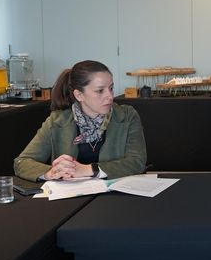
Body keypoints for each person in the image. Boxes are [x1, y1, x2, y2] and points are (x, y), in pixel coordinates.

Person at [14, 60, 147, 181]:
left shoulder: (127, 115)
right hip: (71, 199)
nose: (110, 96)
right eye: (100, 91)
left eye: (111, 88)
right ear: (79, 95)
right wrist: (51, 172)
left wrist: (88, 170)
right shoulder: (57, 121)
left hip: (114, 198)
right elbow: (22, 162)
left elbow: (137, 162)